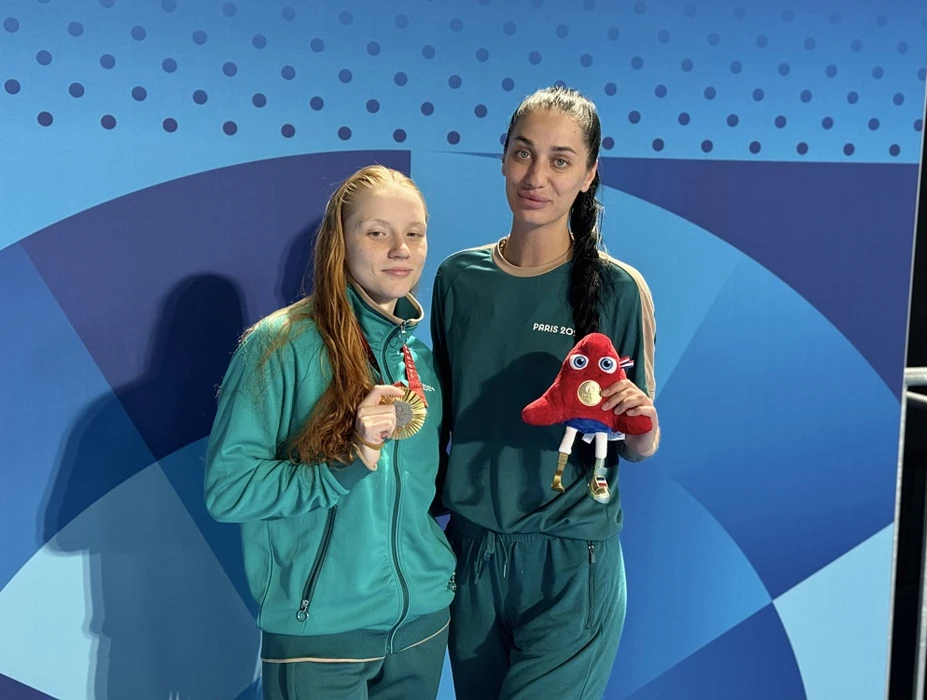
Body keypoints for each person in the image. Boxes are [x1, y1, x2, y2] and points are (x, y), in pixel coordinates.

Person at [431, 86, 661, 699]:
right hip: (470, 557)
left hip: (570, 561)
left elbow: (635, 443)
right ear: (503, 157)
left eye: (561, 160)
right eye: (523, 153)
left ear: (589, 174)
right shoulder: (457, 279)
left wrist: (644, 427)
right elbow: (440, 424)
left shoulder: (618, 289)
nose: (536, 177)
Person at [205, 165, 456, 700]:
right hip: (321, 635)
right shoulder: (280, 345)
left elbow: (417, 495)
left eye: (414, 233)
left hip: (422, 627)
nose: (401, 249)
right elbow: (230, 490)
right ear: (340, 242)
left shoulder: (421, 360)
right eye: (377, 232)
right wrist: (344, 465)